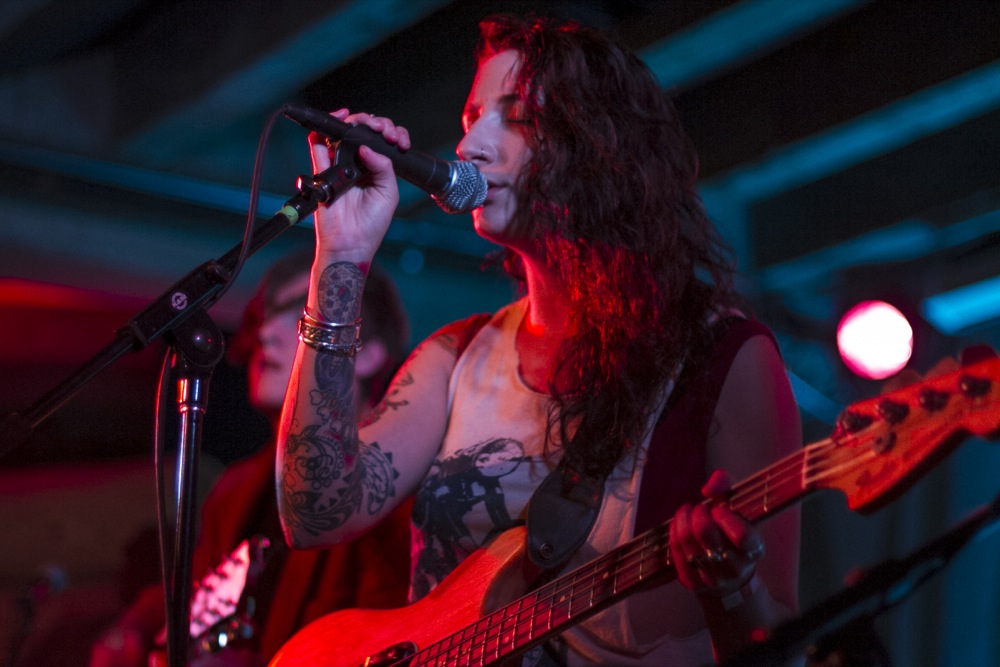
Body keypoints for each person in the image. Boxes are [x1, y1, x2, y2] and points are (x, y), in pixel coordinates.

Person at [275, 13, 801, 666]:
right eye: (471, 119)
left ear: (600, 144)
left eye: (517, 117)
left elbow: (782, 642)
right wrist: (343, 254)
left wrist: (732, 588)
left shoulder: (723, 358)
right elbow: (314, 513)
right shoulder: (457, 356)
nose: (469, 146)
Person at [89, 251, 413, 667]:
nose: (266, 333)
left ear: (367, 353)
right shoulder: (237, 488)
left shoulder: (392, 484)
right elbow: (194, 589)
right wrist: (134, 628)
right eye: (267, 315)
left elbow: (391, 641)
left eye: (303, 315)